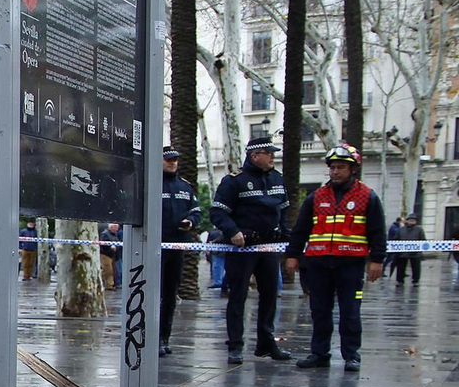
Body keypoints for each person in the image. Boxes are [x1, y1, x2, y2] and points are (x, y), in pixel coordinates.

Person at [284, 144, 386, 373]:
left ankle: (351, 355)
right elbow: (300, 230)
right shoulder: (316, 197)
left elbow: (378, 231)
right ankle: (319, 354)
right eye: (333, 167)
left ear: (353, 169)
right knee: (319, 311)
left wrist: (377, 260)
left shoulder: (367, 196)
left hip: (351, 264)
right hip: (318, 263)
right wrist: (292, 255)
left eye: (341, 167)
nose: (335, 172)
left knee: (350, 312)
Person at [211, 123, 293, 364]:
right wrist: (233, 231)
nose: (273, 158)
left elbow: (284, 212)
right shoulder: (234, 181)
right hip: (243, 247)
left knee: (270, 296)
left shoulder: (277, 179)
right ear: (255, 156)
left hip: (269, 247)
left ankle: (266, 344)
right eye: (269, 154)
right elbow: (218, 212)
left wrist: (287, 239)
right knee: (238, 296)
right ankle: (235, 346)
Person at [158, 146, 201, 356]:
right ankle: (150, 337)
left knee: (170, 295)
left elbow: (196, 211)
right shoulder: (151, 183)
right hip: (155, 246)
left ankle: (164, 337)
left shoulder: (185, 186)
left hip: (178, 246)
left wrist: (190, 222)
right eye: (168, 160)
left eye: (175, 160)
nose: (173, 163)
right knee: (153, 294)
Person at [394, 214, 424, 285]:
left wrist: (420, 249)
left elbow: (422, 239)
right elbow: (396, 239)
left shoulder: (419, 229)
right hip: (402, 252)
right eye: (410, 220)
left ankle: (415, 280)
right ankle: (400, 280)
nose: (411, 222)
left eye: (413, 220)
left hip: (415, 251)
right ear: (407, 221)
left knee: (416, 267)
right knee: (401, 267)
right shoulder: (401, 229)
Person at [99, 222, 123, 288]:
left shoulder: (114, 234)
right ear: (111, 227)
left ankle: (110, 284)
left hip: (112, 255)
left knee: (112, 271)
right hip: (105, 254)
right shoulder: (105, 234)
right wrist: (110, 247)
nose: (117, 229)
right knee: (108, 271)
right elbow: (102, 244)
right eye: (116, 228)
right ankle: (108, 285)